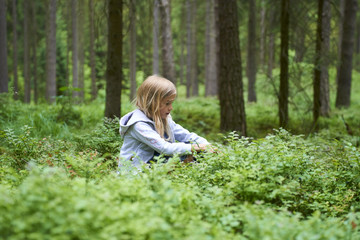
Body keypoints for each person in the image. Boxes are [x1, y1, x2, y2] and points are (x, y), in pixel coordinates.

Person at [119, 75, 212, 170]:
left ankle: (181, 174)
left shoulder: (165, 119)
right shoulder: (139, 125)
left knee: (200, 153)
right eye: (167, 103)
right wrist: (196, 147)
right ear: (152, 102)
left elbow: (186, 135)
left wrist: (207, 145)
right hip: (136, 172)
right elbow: (165, 148)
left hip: (155, 164)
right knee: (192, 150)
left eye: (172, 103)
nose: (171, 108)